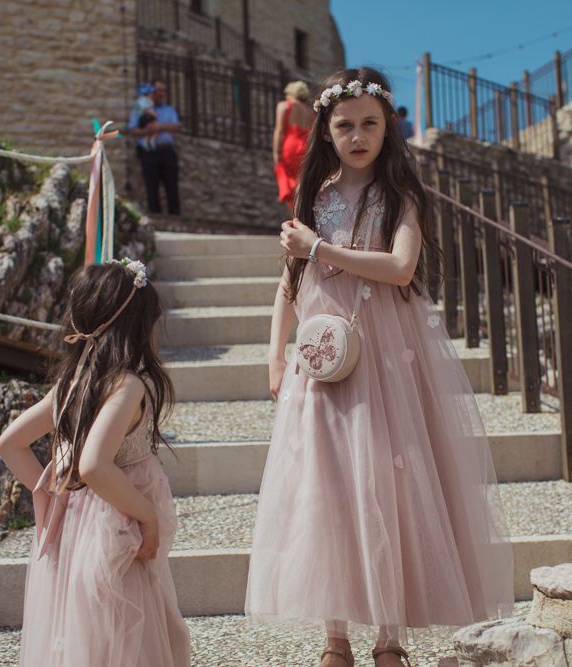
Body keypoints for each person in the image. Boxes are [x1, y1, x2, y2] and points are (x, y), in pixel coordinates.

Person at [245, 67, 514, 667]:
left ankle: (389, 638)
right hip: (323, 359)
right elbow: (290, 284)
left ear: (388, 128)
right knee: (329, 484)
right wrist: (273, 354)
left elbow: (398, 268)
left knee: (388, 483)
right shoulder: (313, 197)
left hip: (387, 358)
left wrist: (318, 248)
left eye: (370, 123)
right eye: (345, 125)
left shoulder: (401, 197)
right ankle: (334, 636)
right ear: (326, 131)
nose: (358, 135)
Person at [0, 259, 191, 667]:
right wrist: (148, 517)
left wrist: (54, 496)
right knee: (126, 630)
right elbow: (94, 466)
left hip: (76, 530)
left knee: (84, 634)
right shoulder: (128, 384)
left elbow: (9, 444)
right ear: (134, 327)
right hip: (117, 531)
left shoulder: (72, 381)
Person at [128, 79, 181, 215]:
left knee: (171, 184)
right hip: (149, 152)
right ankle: (155, 216)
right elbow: (133, 130)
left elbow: (175, 126)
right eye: (159, 90)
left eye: (164, 90)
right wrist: (148, 131)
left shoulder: (169, 110)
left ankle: (175, 215)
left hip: (166, 150)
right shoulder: (139, 110)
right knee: (151, 185)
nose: (161, 93)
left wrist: (159, 127)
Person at [273, 80, 314, 213]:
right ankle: (306, 215)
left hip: (290, 147)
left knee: (289, 182)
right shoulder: (311, 112)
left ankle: (296, 217)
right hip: (306, 147)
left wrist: (276, 153)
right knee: (303, 182)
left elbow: (279, 130)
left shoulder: (285, 106)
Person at [133, 82, 158, 151]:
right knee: (150, 129)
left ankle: (151, 141)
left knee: (153, 130)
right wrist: (153, 113)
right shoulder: (142, 101)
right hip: (145, 118)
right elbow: (145, 109)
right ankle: (147, 142)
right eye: (151, 93)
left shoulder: (149, 101)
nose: (152, 95)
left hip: (149, 117)